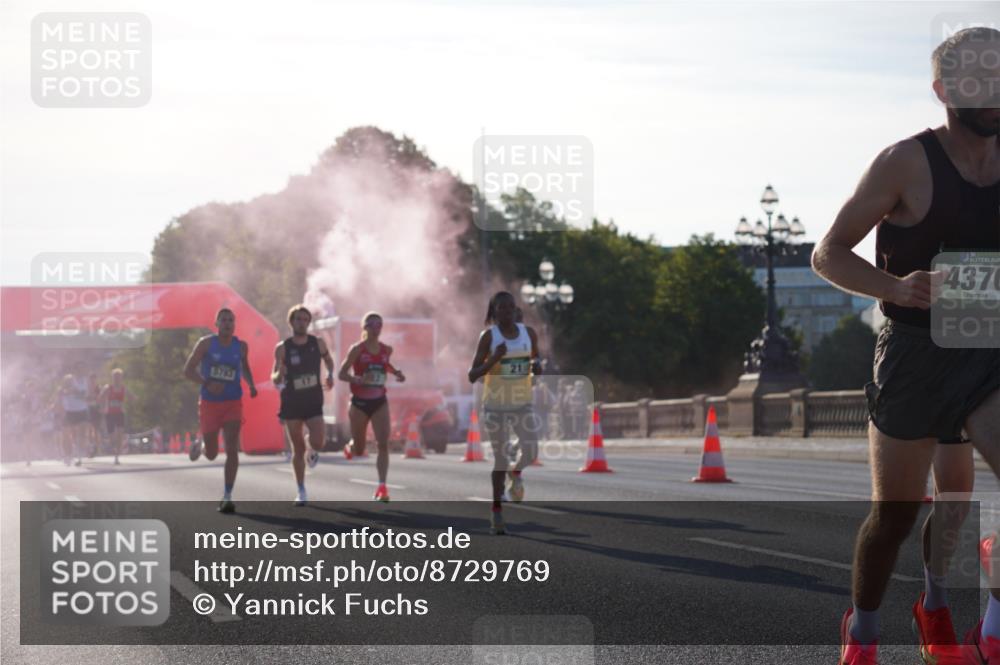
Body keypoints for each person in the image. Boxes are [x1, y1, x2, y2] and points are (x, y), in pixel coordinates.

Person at [812, 27, 1000, 664]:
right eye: (978, 79)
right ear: (944, 91)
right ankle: (863, 632)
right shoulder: (905, 162)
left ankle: (987, 627)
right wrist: (895, 286)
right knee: (893, 518)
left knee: (958, 501)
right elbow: (828, 253)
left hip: (986, 348)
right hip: (915, 354)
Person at [468, 291, 542, 535]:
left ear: (515, 309)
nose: (507, 311)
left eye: (511, 307)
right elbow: (472, 375)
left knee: (531, 451)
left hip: (521, 403)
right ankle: (496, 511)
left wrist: (538, 368)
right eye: (501, 308)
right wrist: (494, 359)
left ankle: (516, 471)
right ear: (494, 312)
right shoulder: (489, 337)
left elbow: (535, 360)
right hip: (495, 405)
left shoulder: (528, 334)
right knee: (500, 459)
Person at [183, 308, 258, 513]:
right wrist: (207, 383)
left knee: (232, 448)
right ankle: (201, 446)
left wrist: (251, 384)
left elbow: (245, 367)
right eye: (223, 320)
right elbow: (187, 370)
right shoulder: (206, 344)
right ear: (216, 324)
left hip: (233, 402)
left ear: (235, 324)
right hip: (210, 403)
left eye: (231, 320)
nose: (227, 323)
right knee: (212, 454)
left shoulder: (241, 346)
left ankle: (227, 496)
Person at [337, 312, 405, 501]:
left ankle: (382, 487)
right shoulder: (357, 349)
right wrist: (357, 379)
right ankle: (351, 446)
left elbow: (385, 365)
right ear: (364, 327)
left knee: (383, 444)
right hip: (359, 403)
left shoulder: (386, 349)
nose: (376, 328)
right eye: (372, 324)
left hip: (379, 401)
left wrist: (396, 373)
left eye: (379, 324)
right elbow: (341, 373)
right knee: (360, 450)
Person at [272, 304, 334, 506]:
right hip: (292, 401)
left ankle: (311, 446)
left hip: (313, 399)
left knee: (319, 442)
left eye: (305, 320)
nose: (302, 323)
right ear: (291, 322)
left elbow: (329, 360)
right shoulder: (283, 348)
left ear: (309, 323)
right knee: (297, 449)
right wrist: (279, 373)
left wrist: (330, 374)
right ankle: (301, 490)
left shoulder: (318, 343)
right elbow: (274, 377)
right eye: (298, 319)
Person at [58, 373, 89, 466]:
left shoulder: (77, 388)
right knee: (66, 435)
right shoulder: (61, 390)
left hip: (81, 411)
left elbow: (85, 397)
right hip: (68, 412)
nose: (69, 383)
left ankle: (79, 453)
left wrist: (76, 392)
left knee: (81, 434)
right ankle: (67, 454)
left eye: (71, 381)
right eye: (67, 381)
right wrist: (60, 412)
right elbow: (60, 400)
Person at [99, 368, 129, 465]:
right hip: (110, 414)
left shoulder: (123, 388)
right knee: (112, 437)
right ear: (112, 378)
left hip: (120, 413)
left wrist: (135, 399)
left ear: (121, 378)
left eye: (119, 377)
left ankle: (117, 455)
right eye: (115, 377)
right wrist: (103, 407)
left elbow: (131, 396)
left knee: (120, 434)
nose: (117, 379)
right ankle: (114, 450)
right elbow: (100, 398)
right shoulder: (108, 388)